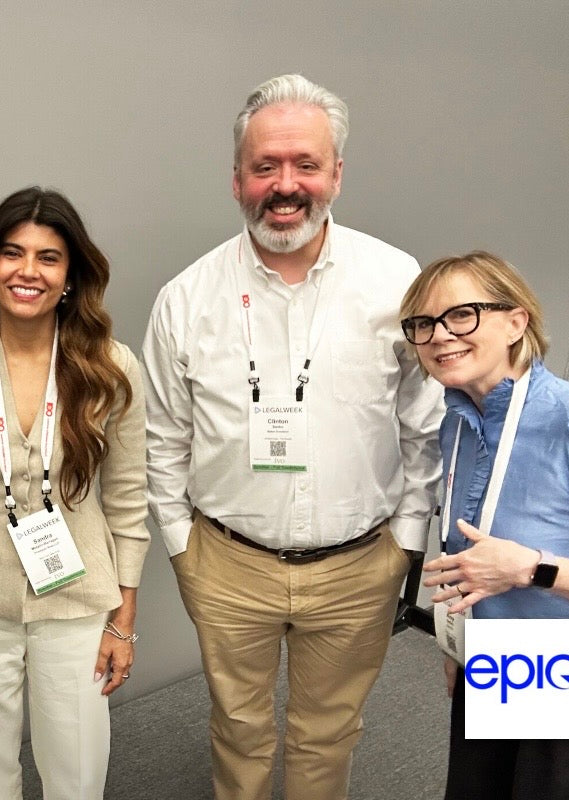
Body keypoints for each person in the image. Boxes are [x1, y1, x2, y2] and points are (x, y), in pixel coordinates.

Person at [142, 74, 443, 800]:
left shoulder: (395, 282)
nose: (285, 185)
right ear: (237, 179)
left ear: (336, 173)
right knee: (238, 728)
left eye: (305, 164)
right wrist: (183, 546)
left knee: (327, 733)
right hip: (227, 564)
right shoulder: (186, 299)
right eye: (265, 166)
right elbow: (162, 439)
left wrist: (405, 540)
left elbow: (424, 422)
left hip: (358, 566)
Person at [0, 186, 148, 799]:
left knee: (76, 770)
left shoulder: (110, 368)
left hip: (77, 593)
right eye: (13, 253)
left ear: (70, 276)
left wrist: (123, 621)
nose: (28, 271)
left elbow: (126, 499)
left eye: (49, 257)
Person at [399, 251, 569, 800]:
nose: (440, 335)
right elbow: (463, 547)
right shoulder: (459, 422)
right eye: (423, 323)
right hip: (505, 663)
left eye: (462, 314)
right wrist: (458, 648)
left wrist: (532, 569)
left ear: (517, 322)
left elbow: (513, 564)